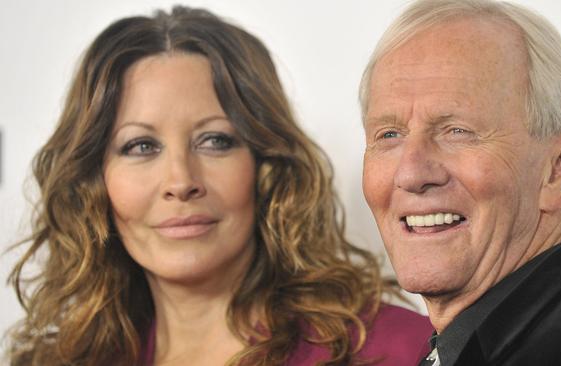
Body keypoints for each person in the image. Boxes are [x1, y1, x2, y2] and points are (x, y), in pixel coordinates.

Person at [5, 6, 433, 366]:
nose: (180, 182)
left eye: (215, 141)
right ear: (94, 180)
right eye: (140, 146)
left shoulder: (392, 349)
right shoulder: (55, 359)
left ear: (266, 166)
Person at [359, 0, 561, 365]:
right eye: (389, 134)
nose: (412, 174)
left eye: (457, 131)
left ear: (559, 167)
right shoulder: (468, 343)